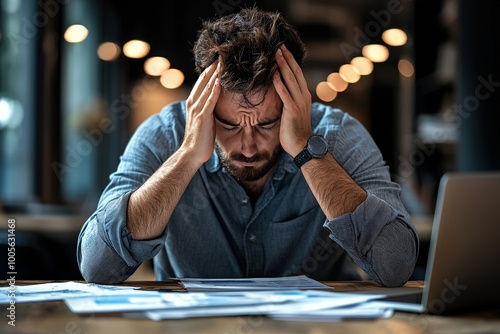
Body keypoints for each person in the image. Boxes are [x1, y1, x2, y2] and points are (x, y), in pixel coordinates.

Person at [77, 7, 418, 287]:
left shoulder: (337, 135)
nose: (249, 146)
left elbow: (395, 264)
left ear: (293, 104)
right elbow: (97, 265)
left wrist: (305, 148)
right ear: (205, 107)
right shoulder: (165, 134)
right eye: (228, 124)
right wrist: (187, 156)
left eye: (267, 123)